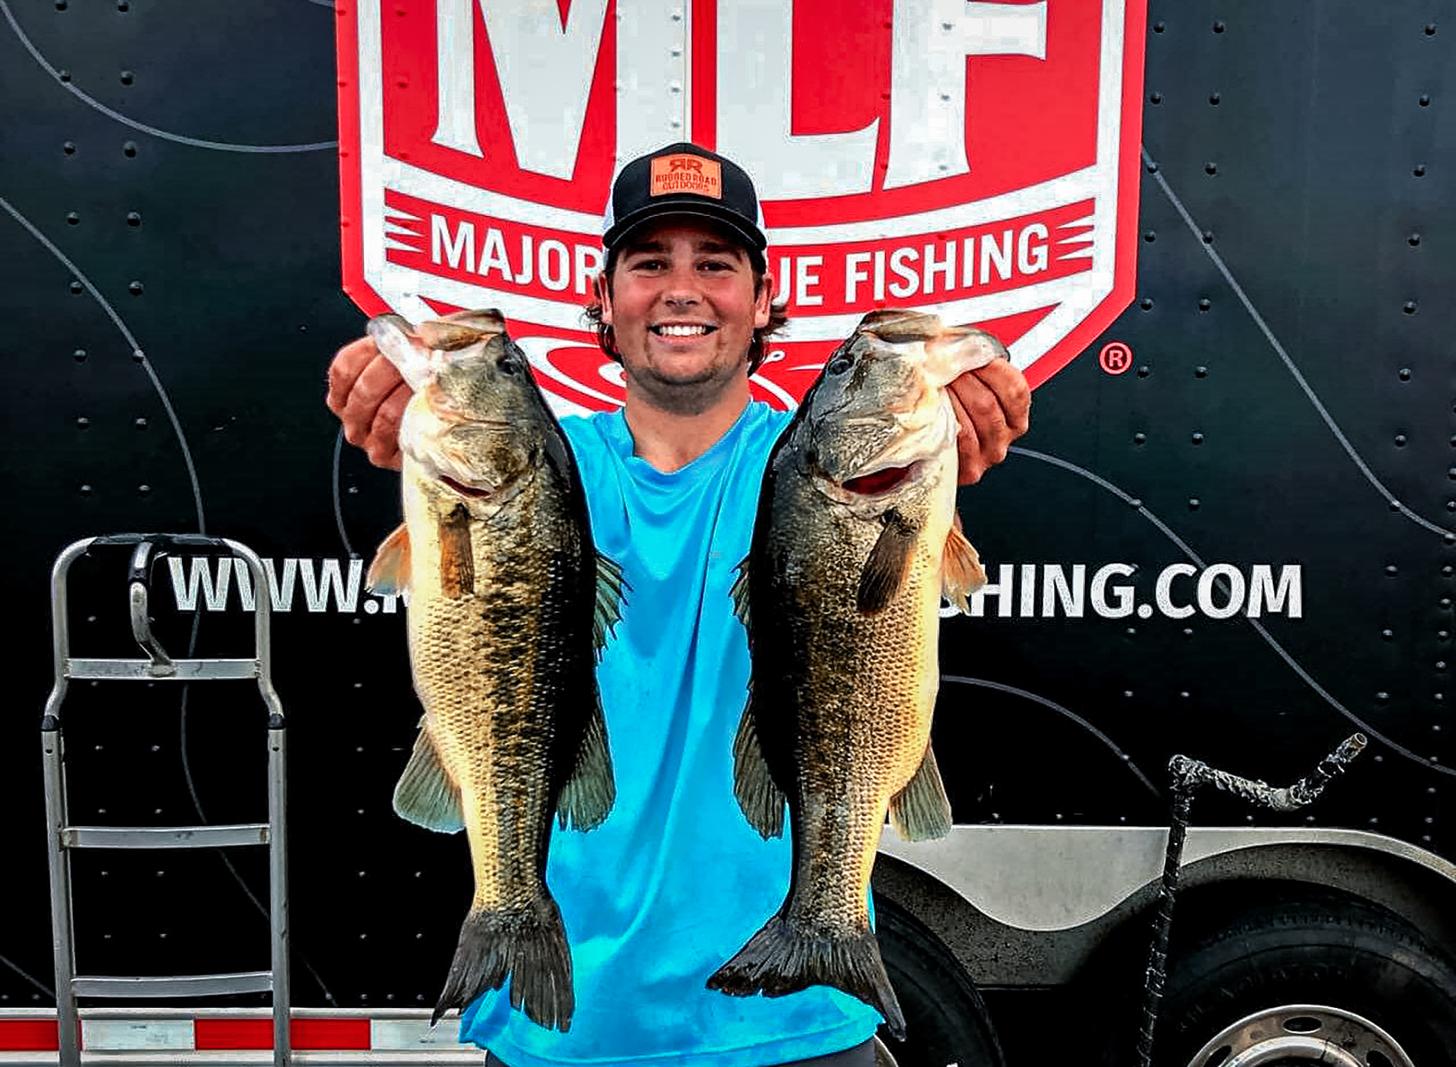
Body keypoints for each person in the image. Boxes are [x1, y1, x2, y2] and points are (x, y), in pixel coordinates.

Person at [326, 143, 1030, 1067]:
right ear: (607, 297)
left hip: (794, 1024)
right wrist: (391, 409)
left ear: (763, 299)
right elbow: (449, 475)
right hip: (563, 1022)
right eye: (650, 262)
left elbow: (906, 512)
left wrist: (962, 428)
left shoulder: (806, 469)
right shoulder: (548, 468)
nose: (682, 288)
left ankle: (819, 922)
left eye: (717, 264)